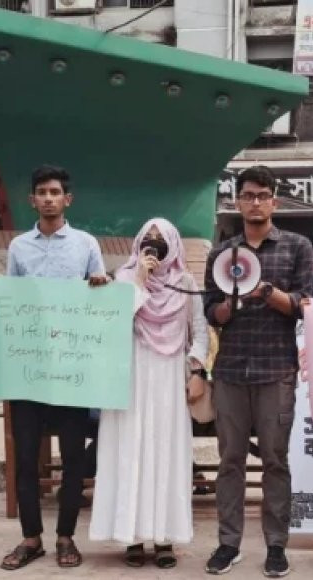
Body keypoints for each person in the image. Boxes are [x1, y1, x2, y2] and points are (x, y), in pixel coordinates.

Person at [203, 165, 313, 577]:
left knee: (275, 460)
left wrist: (267, 293)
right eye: (248, 195)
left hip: (276, 371)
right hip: (231, 371)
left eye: (262, 195)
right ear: (237, 200)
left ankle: (275, 546)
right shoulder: (222, 253)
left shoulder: (297, 246)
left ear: (275, 201)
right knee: (230, 461)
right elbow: (209, 312)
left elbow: (305, 303)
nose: (255, 202)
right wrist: (228, 306)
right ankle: (228, 543)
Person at [0, 165, 108, 571]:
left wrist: (101, 284)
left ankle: (66, 537)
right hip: (28, 371)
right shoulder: (18, 248)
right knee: (26, 458)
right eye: (41, 192)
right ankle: (31, 538)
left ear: (68, 199)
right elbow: (10, 303)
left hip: (73, 370)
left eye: (55, 192)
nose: (48, 198)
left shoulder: (85, 244)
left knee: (73, 459)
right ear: (32, 200)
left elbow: (101, 297)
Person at [89, 218, 209, 568]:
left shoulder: (186, 282)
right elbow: (113, 322)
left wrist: (197, 370)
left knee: (165, 452)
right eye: (148, 239)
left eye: (161, 239)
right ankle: (133, 536)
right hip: (131, 376)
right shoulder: (123, 279)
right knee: (130, 451)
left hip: (170, 377)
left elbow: (199, 331)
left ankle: (165, 538)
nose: (154, 244)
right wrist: (140, 279)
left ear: (173, 245)